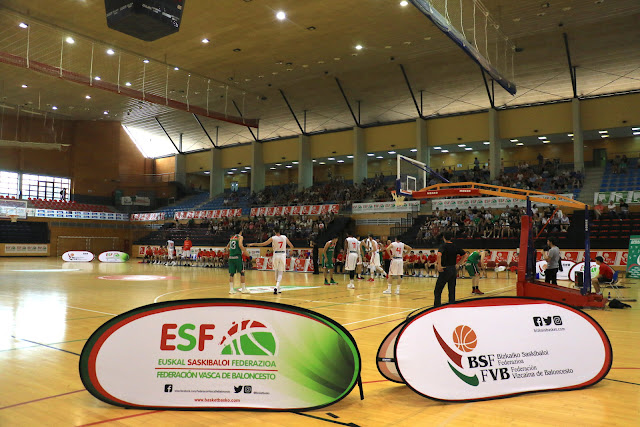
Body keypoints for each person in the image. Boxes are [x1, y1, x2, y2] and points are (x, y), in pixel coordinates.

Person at [249, 227, 294, 294]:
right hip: (282, 255)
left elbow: (263, 244)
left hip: (276, 255)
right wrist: (291, 251)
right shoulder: (284, 237)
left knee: (276, 271)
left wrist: (253, 244)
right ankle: (277, 287)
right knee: (280, 272)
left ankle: (277, 287)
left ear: (274, 231)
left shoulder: (273, 238)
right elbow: (291, 246)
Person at [434, 232, 467, 307]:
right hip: (453, 269)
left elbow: (439, 254)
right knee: (451, 289)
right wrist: (459, 264)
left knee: (438, 290)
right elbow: (465, 254)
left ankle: (437, 306)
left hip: (445, 269)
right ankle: (451, 304)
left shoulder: (443, 246)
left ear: (444, 238)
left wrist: (439, 265)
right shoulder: (455, 246)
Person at [227, 229, 250, 294]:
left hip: (231, 257)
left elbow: (227, 247)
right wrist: (246, 252)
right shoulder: (240, 237)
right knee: (242, 272)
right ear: (240, 232)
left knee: (231, 274)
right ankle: (243, 289)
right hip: (237, 257)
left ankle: (231, 289)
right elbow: (240, 245)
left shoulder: (232, 238)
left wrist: (232, 252)